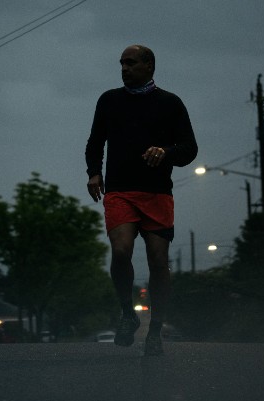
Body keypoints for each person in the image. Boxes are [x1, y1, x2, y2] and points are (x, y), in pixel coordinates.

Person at [85, 44, 198, 355]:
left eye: (131, 63)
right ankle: (127, 314)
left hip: (157, 193)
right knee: (121, 250)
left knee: (158, 261)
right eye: (122, 63)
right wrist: (94, 173)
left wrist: (166, 152)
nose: (124, 68)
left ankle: (155, 331)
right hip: (120, 191)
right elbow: (95, 142)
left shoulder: (171, 103)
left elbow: (190, 148)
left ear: (149, 66)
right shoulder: (109, 101)